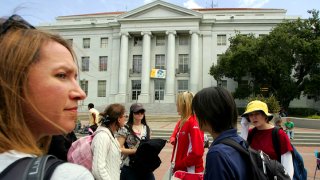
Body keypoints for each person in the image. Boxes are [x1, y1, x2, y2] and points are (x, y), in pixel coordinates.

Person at [0, 14, 94, 179]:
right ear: (13, 81)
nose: (81, 93)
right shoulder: (68, 176)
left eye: (75, 78)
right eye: (62, 75)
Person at [192, 87, 251, 179]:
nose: (195, 116)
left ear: (209, 113)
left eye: (197, 112)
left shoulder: (217, 154)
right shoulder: (239, 141)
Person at [241, 100, 294, 179]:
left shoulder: (279, 134)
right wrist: (244, 127)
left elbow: (288, 165)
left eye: (257, 113)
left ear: (265, 116)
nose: (254, 117)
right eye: (250, 115)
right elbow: (241, 152)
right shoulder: (250, 133)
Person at [169, 91, 204, 174]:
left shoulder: (193, 122)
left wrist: (179, 165)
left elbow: (197, 153)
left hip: (190, 172)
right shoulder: (183, 121)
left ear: (184, 105)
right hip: (181, 170)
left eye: (178, 104)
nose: (177, 107)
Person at [116, 103, 154, 180]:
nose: (140, 114)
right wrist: (135, 151)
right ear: (132, 113)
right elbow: (118, 148)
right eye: (137, 112)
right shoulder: (125, 128)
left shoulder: (147, 128)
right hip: (130, 166)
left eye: (142, 112)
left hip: (145, 166)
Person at [91, 103, 127, 180]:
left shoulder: (110, 135)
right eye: (125, 116)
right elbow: (98, 170)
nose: (125, 119)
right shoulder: (103, 137)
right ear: (119, 119)